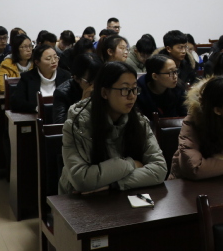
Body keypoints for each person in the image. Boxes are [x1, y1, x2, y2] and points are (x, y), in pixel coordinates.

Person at [58, 62, 167, 194]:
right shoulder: (77, 124)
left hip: (121, 195)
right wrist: (130, 164)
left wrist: (115, 185)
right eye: (125, 89)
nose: (132, 96)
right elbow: (82, 179)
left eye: (134, 89)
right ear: (104, 92)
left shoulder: (139, 122)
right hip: (78, 200)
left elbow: (159, 169)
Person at [11, 44, 72, 113]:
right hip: (35, 117)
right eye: (48, 59)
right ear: (37, 62)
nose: (54, 61)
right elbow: (16, 103)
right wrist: (37, 108)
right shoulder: (27, 78)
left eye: (55, 57)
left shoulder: (66, 76)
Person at [52, 53, 102, 123]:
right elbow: (60, 124)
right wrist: (82, 101)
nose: (95, 85)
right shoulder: (62, 93)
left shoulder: (104, 87)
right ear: (76, 78)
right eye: (91, 82)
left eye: (99, 80)